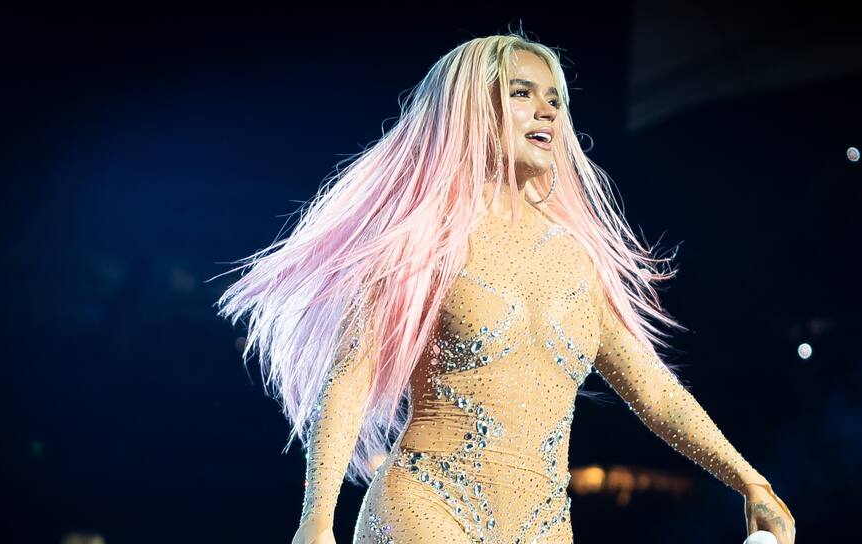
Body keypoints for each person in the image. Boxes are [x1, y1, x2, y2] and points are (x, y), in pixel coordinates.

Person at [215, 31, 795, 544]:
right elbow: (351, 375)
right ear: (472, 109)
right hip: (427, 510)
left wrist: (750, 481)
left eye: (555, 100)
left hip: (545, 526)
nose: (547, 111)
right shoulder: (421, 241)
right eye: (522, 93)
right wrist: (317, 520)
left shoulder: (577, 258)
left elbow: (657, 394)